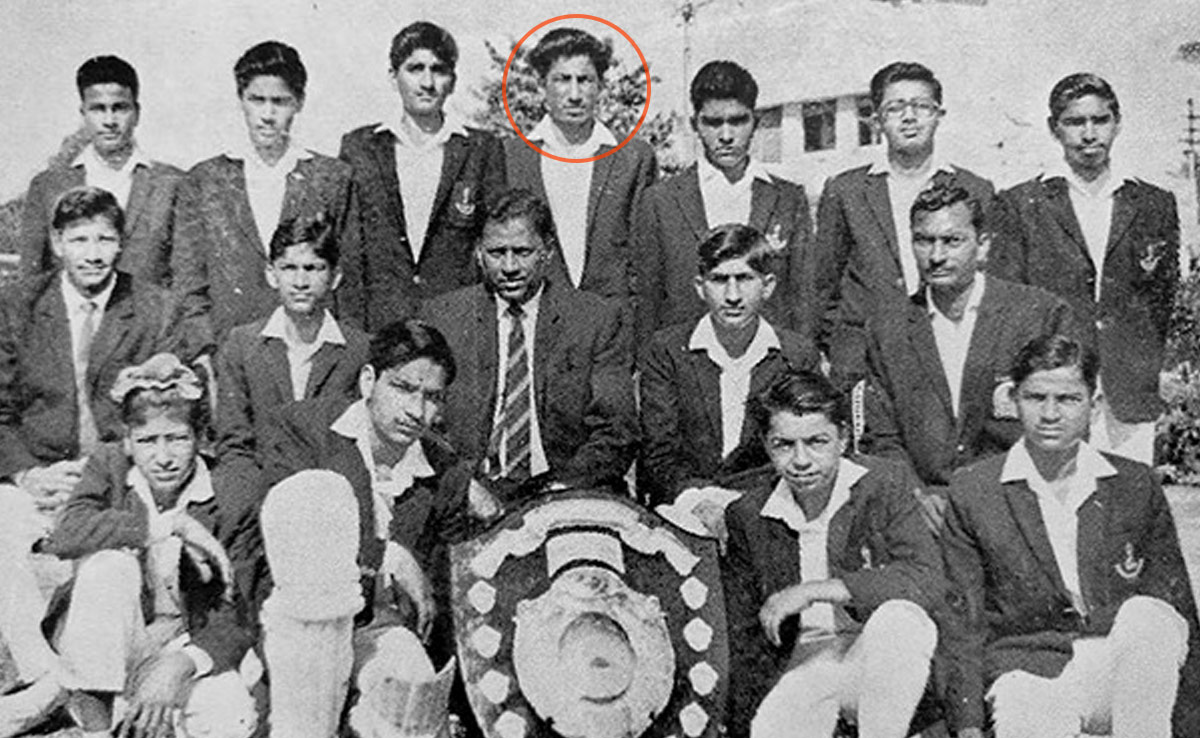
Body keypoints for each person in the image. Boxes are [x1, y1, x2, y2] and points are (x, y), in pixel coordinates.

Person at [940, 334, 1200, 738]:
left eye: (1067, 399)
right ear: (1013, 400)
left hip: (1123, 672)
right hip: (1031, 671)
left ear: (1093, 405)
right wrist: (968, 724)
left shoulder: (1134, 484)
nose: (1050, 414)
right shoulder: (975, 490)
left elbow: (1175, 604)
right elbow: (962, 623)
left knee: (1149, 616)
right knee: (1026, 708)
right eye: (1035, 397)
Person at [0, 354, 255, 738]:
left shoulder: (229, 493)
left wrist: (181, 664)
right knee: (109, 567)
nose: (163, 457)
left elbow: (240, 608)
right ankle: (97, 728)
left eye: (177, 438)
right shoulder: (111, 467)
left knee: (228, 715)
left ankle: (75, 700)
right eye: (147, 441)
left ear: (200, 438)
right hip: (111, 640)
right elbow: (66, 533)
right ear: (128, 442)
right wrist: (166, 525)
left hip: (183, 640)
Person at [252, 320, 476, 735]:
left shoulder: (443, 472)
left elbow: (443, 599)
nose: (416, 411)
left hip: (381, 629)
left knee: (413, 695)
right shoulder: (305, 430)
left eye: (432, 397)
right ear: (369, 380)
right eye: (403, 388)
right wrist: (383, 554)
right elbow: (289, 536)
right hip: (303, 625)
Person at [722, 370, 942, 738]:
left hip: (874, 657)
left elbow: (926, 578)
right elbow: (744, 637)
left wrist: (816, 590)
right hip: (804, 664)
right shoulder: (749, 514)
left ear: (842, 438)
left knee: (900, 621)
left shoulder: (884, 484)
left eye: (817, 442)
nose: (801, 460)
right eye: (783, 445)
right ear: (765, 445)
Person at [987, 73, 1179, 465]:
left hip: (1128, 395)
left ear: (1117, 123)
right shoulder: (1020, 205)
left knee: (1126, 495)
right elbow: (1007, 304)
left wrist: (1147, 369)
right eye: (1075, 122)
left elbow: (1162, 300)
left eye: (1100, 120)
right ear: (1054, 128)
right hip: (1053, 390)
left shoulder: (1153, 204)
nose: (1089, 134)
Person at [861, 181, 1077, 509]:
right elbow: (882, 435)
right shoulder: (888, 328)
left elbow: (1062, 423)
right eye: (924, 241)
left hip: (1017, 500)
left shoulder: (1037, 314)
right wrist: (916, 499)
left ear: (983, 245)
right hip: (924, 507)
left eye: (952, 241)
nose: (936, 256)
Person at [421, 188, 638, 504]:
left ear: (547, 252)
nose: (509, 267)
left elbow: (617, 430)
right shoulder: (443, 318)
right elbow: (424, 424)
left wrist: (562, 490)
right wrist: (463, 486)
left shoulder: (596, 320)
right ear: (478, 252)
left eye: (522, 252)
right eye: (497, 253)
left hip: (566, 490)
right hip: (472, 493)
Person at [0, 187, 193, 500]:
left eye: (105, 240)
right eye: (79, 240)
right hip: (39, 474)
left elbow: (173, 414)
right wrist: (27, 474)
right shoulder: (16, 306)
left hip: (127, 475)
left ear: (120, 244)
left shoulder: (157, 308)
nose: (93, 255)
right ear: (57, 243)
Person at [813, 61, 994, 381]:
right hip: (864, 361)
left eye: (921, 106)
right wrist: (842, 348)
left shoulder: (974, 189)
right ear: (877, 120)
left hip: (949, 352)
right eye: (895, 108)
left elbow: (988, 279)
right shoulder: (846, 191)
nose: (909, 117)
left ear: (939, 115)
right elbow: (823, 286)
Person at [171, 40, 356, 346]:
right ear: (241, 100)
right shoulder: (204, 180)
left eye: (280, 102)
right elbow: (188, 282)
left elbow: (348, 278)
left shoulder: (332, 178)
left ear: (299, 102)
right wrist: (203, 351)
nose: (268, 115)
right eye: (257, 100)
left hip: (310, 345)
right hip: (227, 349)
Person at [338, 21, 506, 331]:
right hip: (382, 326)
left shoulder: (481, 149)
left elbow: (495, 243)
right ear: (393, 77)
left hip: (458, 324)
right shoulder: (360, 148)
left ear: (452, 81)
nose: (427, 82)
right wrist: (353, 334)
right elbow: (349, 253)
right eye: (415, 69)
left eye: (438, 70)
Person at [640, 223, 821, 511]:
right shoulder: (667, 350)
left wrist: (741, 507)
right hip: (684, 506)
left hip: (766, 507)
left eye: (745, 279)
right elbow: (659, 451)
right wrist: (697, 500)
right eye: (719, 280)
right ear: (700, 286)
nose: (733, 295)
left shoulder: (796, 355)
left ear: (768, 286)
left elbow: (802, 449)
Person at [633, 60, 812, 347]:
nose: (726, 136)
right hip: (686, 361)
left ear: (756, 121)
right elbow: (647, 303)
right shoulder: (660, 201)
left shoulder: (788, 199)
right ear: (695, 124)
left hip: (770, 362)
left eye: (738, 121)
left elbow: (803, 298)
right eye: (714, 123)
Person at [215, 212, 370, 529]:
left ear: (335, 277)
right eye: (289, 268)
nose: (300, 282)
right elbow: (234, 445)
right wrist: (257, 508)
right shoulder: (242, 345)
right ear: (271, 274)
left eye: (313, 268)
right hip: (259, 504)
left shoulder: (359, 349)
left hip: (335, 506)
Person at [504, 26, 656, 303]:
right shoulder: (511, 156)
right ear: (541, 86)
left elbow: (647, 254)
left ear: (600, 86)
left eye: (584, 80)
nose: (574, 94)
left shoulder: (633, 157)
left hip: (613, 316)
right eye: (563, 80)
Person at [18, 55, 184, 290]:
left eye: (120, 108)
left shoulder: (172, 184)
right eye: (98, 109)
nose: (109, 120)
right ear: (83, 114)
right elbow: (30, 282)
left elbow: (186, 279)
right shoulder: (47, 187)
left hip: (150, 312)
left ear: (137, 113)